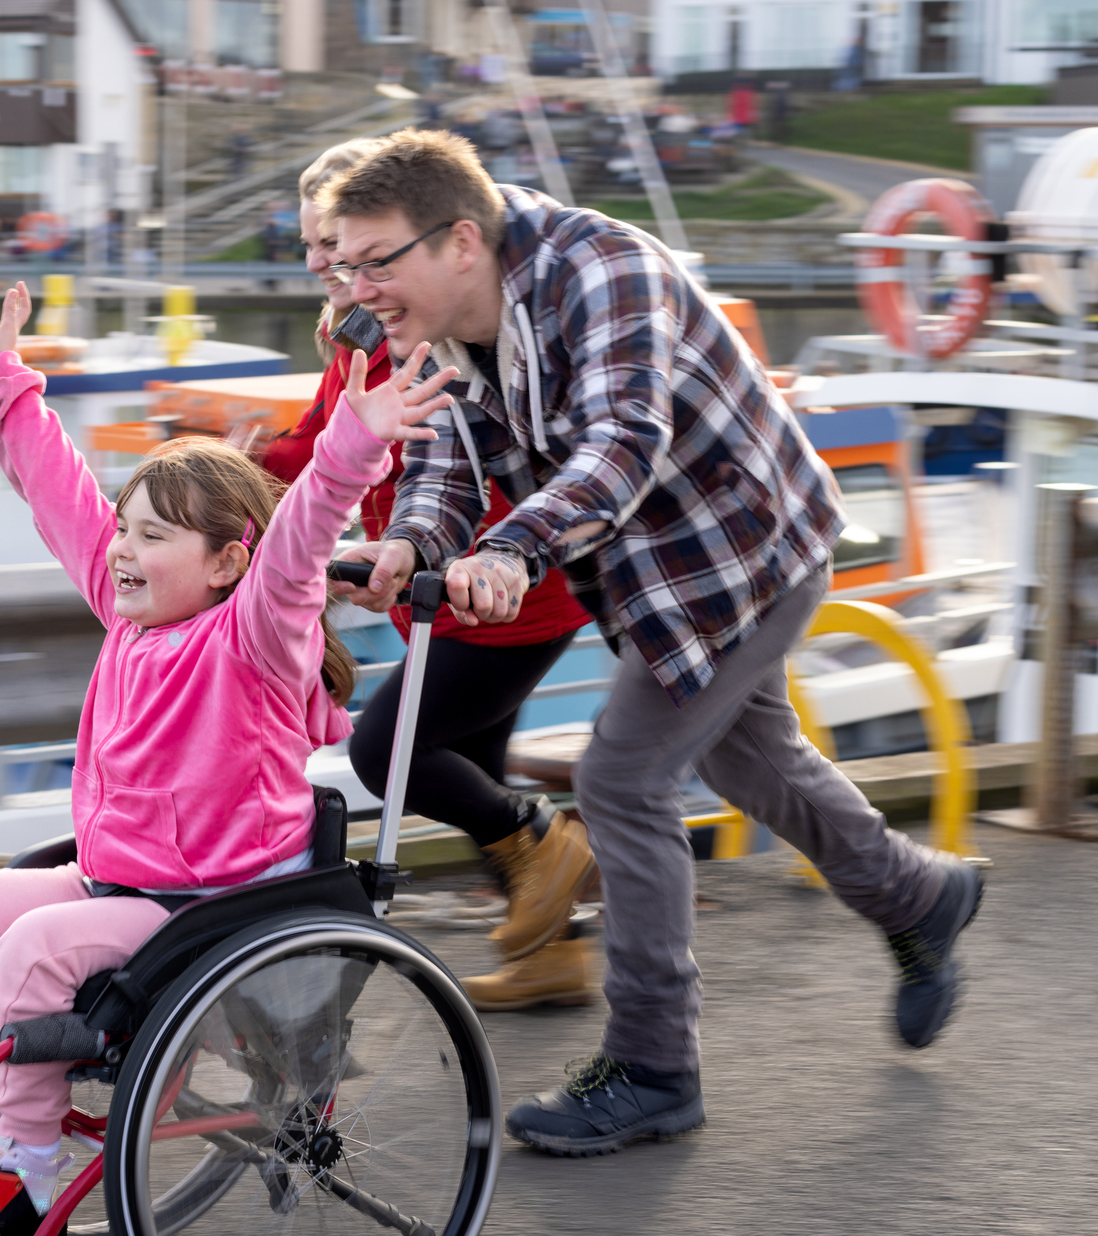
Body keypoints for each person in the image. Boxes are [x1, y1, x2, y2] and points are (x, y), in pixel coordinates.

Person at [323, 131, 983, 1157]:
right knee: (750, 760)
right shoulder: (436, 323)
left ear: (457, 239)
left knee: (623, 776)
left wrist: (512, 548)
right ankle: (917, 894)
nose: (355, 286)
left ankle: (653, 1064)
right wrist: (412, 544)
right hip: (650, 575)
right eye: (343, 262)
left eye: (374, 261)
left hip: (745, 547)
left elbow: (618, 442)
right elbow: (444, 470)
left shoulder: (604, 270)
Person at [0, 283, 458, 1218]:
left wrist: (352, 445)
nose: (122, 549)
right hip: (121, 883)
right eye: (124, 530)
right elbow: (56, 491)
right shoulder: (131, 610)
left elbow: (297, 546)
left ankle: (24, 1165)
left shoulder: (255, 633)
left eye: (153, 536)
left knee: (32, 952)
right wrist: (2, 379)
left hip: (209, 906)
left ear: (225, 562)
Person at [263, 139, 601, 1011]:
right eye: (313, 247)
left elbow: (369, 446)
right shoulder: (355, 329)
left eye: (336, 247)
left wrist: (263, 485)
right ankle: (552, 955)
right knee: (475, 766)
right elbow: (319, 433)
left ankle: (549, 849)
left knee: (390, 752)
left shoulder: (408, 331)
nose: (322, 263)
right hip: (447, 585)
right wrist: (238, 475)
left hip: (490, 588)